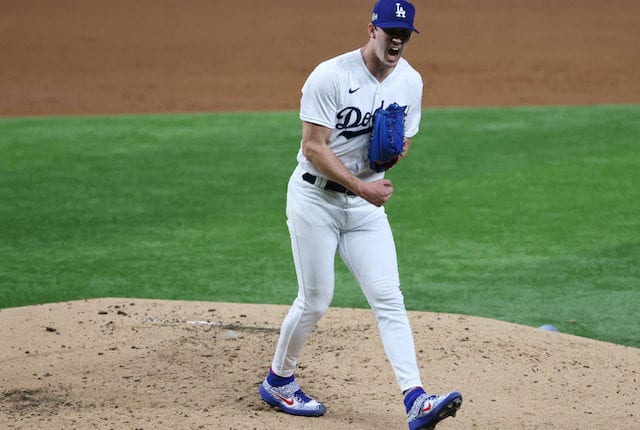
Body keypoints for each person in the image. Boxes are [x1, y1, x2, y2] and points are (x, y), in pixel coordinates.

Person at [258, 1, 462, 428]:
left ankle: (416, 399)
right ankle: (279, 382)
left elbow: (404, 141)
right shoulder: (331, 76)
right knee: (315, 299)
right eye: (390, 32)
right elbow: (314, 147)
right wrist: (364, 186)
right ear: (372, 30)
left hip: (363, 209)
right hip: (315, 200)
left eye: (405, 34)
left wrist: (392, 153)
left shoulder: (410, 81)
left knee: (389, 298)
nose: (397, 41)